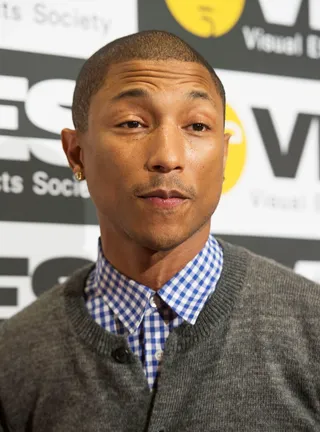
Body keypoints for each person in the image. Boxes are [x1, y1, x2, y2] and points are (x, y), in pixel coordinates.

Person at [1, 30, 320, 432]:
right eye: (133, 122)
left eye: (197, 127)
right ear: (76, 153)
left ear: (224, 155)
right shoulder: (14, 357)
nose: (168, 157)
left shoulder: (312, 328)